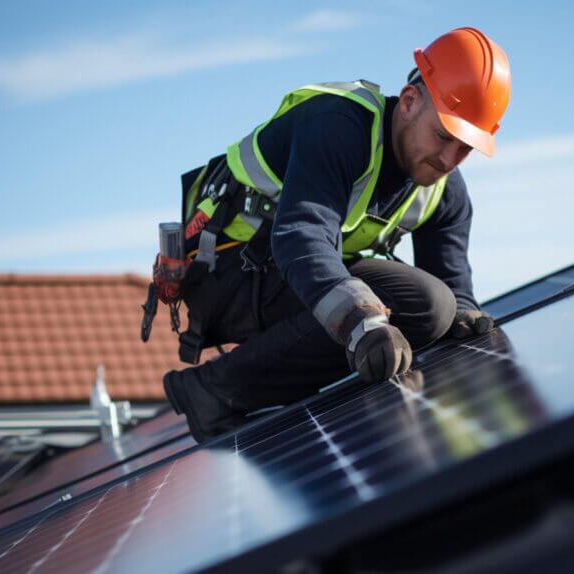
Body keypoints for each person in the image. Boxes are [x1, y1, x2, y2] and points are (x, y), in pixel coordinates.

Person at [158, 27, 511, 442]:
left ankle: (267, 391)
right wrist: (361, 321)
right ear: (410, 102)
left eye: (466, 148)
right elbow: (299, 234)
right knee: (422, 305)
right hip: (231, 277)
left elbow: (454, 287)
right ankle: (212, 391)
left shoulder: (445, 189)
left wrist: (467, 323)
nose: (451, 159)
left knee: (442, 309)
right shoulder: (339, 127)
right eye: (444, 136)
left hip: (296, 283)